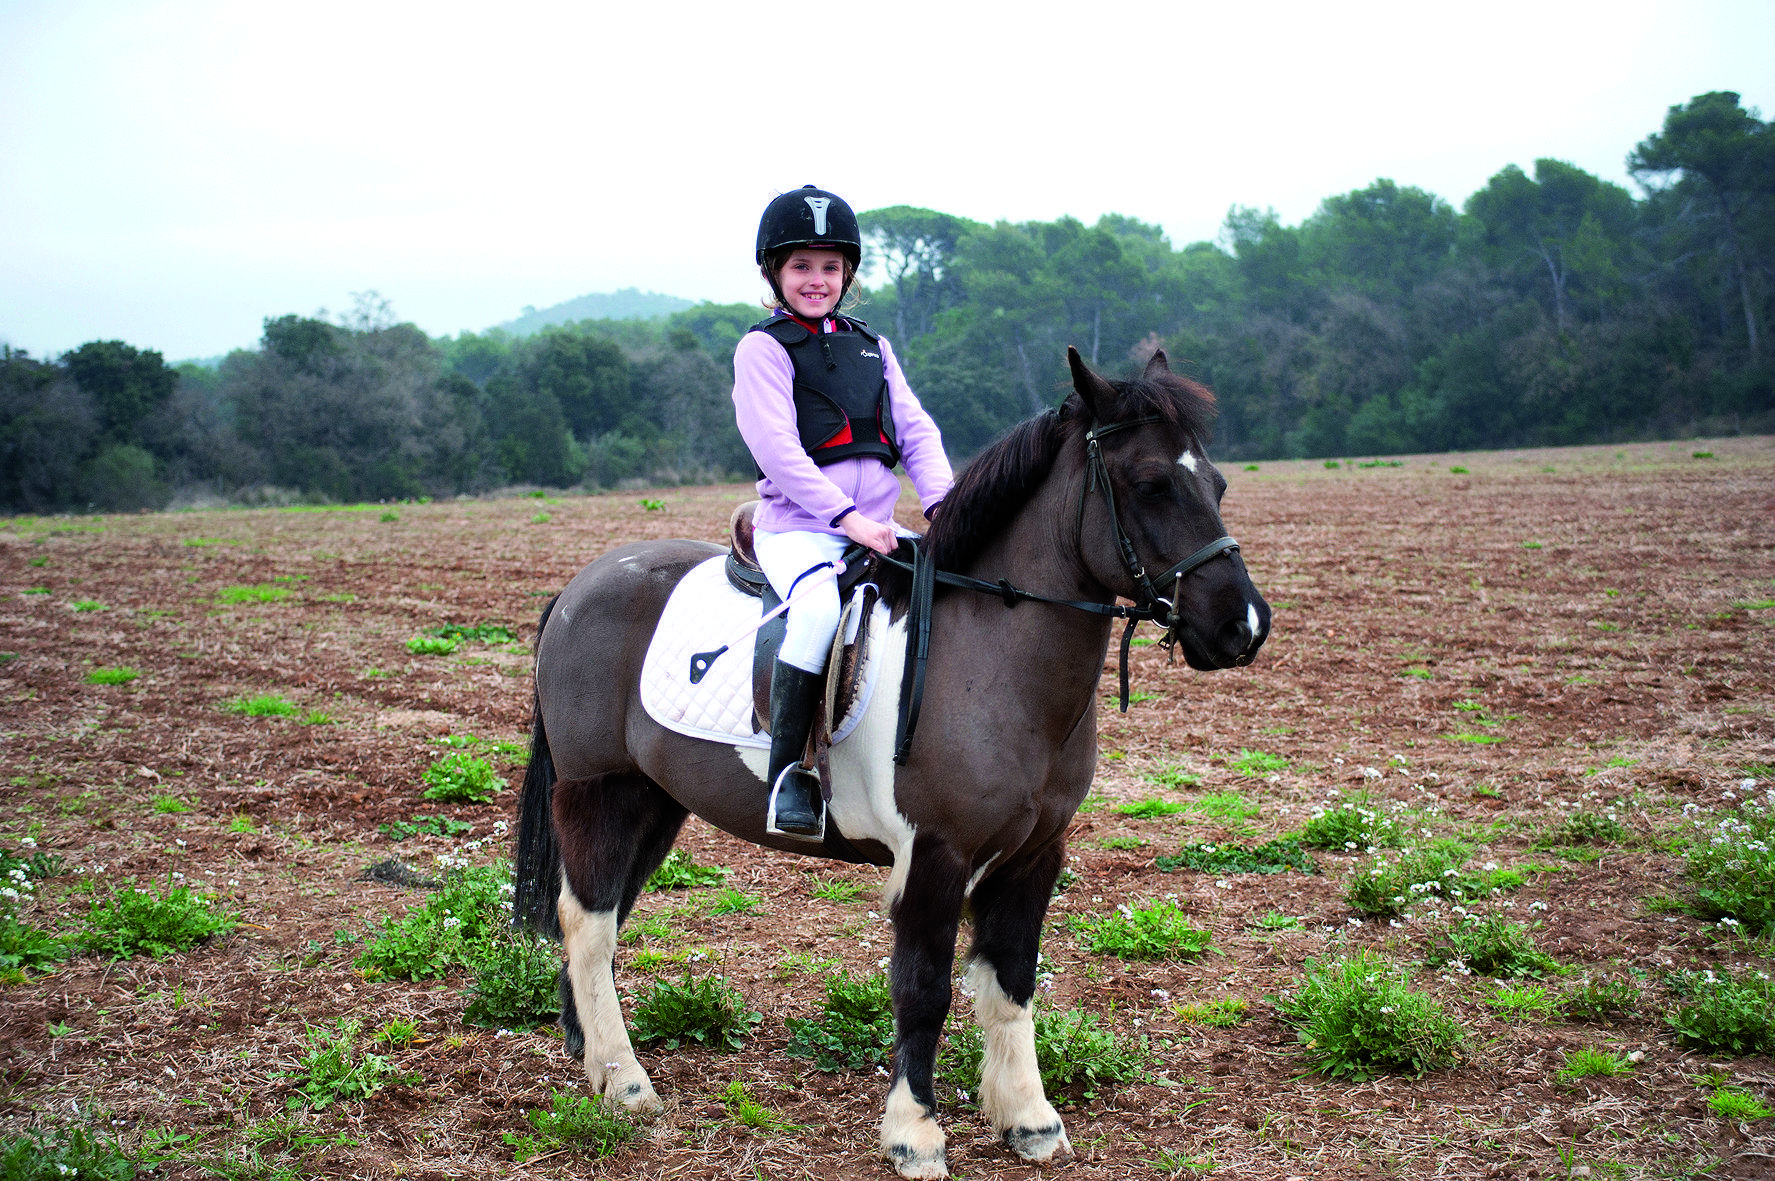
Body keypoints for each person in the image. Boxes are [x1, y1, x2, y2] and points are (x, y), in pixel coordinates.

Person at [733, 185, 953, 839]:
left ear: (847, 274)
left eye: (829, 267)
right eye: (801, 266)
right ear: (774, 272)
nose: (816, 280)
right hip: (799, 529)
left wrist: (943, 502)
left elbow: (916, 431)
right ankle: (789, 775)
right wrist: (848, 520)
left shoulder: (871, 346)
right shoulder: (762, 349)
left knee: (952, 590)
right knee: (820, 613)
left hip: (875, 528)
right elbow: (780, 453)